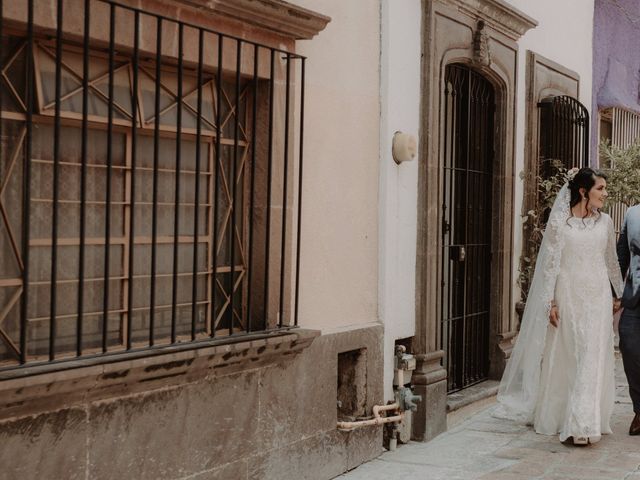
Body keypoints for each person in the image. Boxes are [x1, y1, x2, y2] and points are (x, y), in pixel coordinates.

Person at [494, 167, 623, 445]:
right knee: (571, 353)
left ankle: (583, 423)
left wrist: (619, 295)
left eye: (604, 188)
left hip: (597, 296)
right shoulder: (560, 224)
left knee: (591, 354)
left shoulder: (605, 222)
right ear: (582, 191)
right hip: (569, 295)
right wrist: (550, 301)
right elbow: (550, 265)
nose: (605, 193)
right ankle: (563, 413)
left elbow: (611, 262)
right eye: (600, 188)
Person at [616, 204, 640, 436]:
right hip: (634, 295)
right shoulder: (632, 213)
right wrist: (614, 292)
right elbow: (621, 255)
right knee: (629, 346)